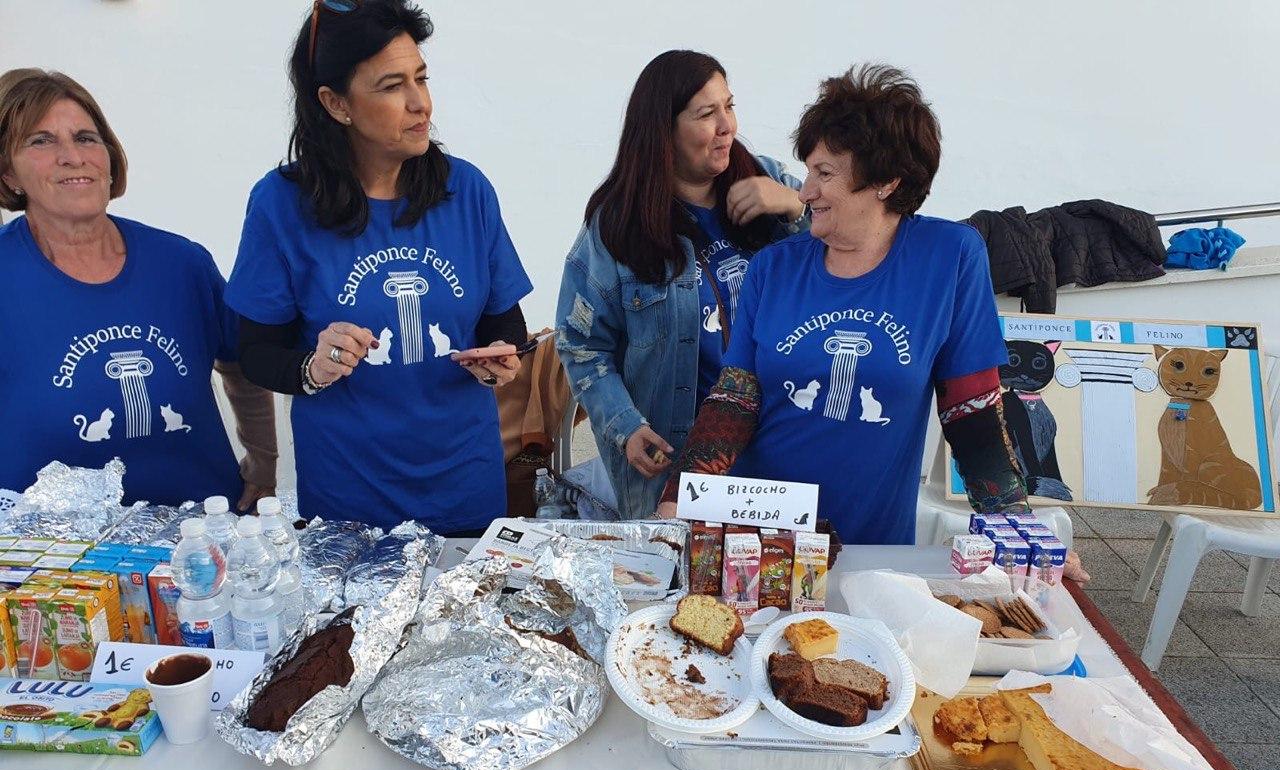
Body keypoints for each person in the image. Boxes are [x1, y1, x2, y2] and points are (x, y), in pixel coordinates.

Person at [656, 65, 1088, 581]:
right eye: (808, 171)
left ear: (886, 181)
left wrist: (1016, 529)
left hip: (872, 543)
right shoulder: (774, 267)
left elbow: (972, 409)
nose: (805, 191)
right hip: (763, 537)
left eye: (824, 174)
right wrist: (678, 498)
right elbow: (735, 399)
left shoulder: (949, 257)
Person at [226, 0, 532, 534]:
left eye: (422, 78)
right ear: (336, 103)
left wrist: (501, 359)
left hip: (465, 486)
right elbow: (255, 352)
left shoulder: (467, 190)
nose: (420, 103)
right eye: (392, 86)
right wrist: (312, 368)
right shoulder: (281, 204)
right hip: (347, 502)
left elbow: (503, 321)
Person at [0, 69, 276, 509]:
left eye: (86, 138)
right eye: (41, 141)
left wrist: (263, 462)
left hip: (199, 532)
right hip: (50, 546)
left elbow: (243, 363)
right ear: (8, 173)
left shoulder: (182, 264)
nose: (73, 157)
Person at [555, 50, 808, 520]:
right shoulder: (617, 227)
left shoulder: (772, 182)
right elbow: (581, 344)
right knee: (678, 569)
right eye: (707, 113)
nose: (727, 126)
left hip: (777, 453)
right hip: (674, 465)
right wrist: (625, 426)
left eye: (729, 106)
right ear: (663, 130)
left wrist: (796, 207)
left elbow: (845, 266)